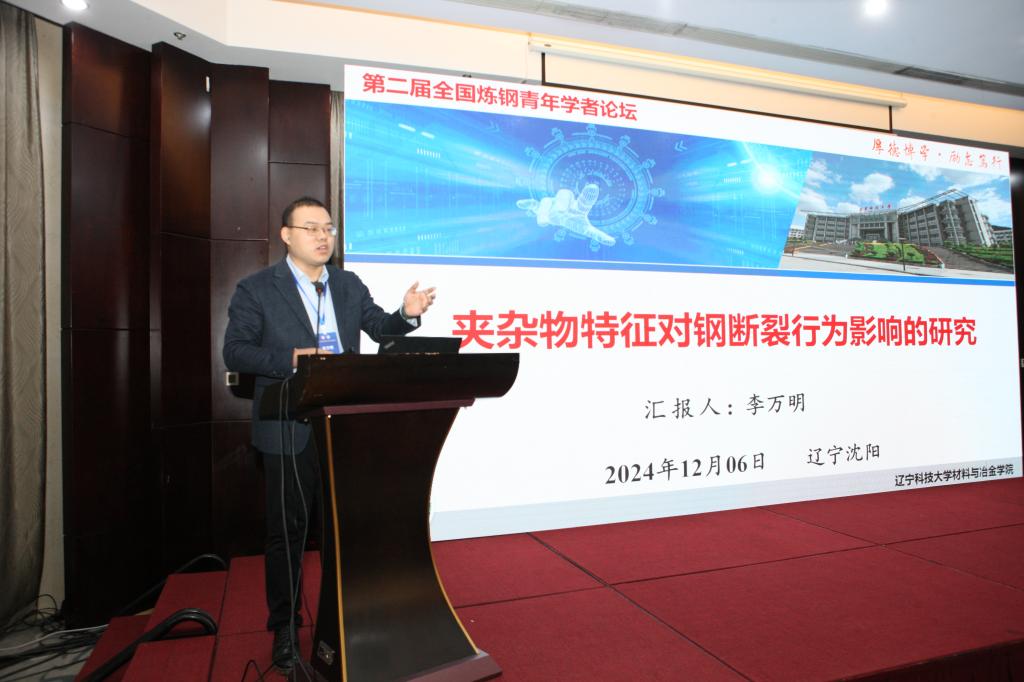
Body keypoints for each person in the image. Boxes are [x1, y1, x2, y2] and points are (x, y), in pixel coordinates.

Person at [222, 196, 436, 672]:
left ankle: (351, 619)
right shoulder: (257, 289)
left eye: (329, 229)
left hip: (343, 426)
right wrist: (291, 359)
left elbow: (379, 328)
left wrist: (406, 314)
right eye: (312, 228)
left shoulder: (346, 284)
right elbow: (235, 351)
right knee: (287, 534)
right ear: (287, 236)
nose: (323, 237)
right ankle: (284, 629)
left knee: (346, 530)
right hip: (287, 427)